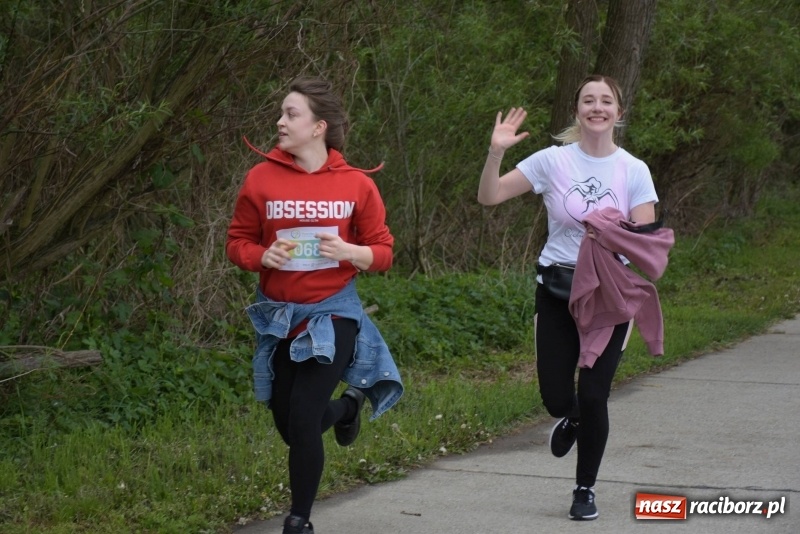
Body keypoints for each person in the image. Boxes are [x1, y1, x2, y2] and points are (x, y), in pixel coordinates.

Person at [477, 74, 660, 521]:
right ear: (577, 111)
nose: (597, 108)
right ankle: (571, 417)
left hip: (610, 295)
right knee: (557, 399)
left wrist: (614, 230)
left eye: (606, 101)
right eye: (588, 101)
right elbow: (490, 196)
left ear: (619, 112)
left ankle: (584, 490)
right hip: (556, 289)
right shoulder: (553, 161)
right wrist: (496, 151)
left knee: (595, 395)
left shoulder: (633, 169)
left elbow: (647, 241)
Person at [226, 76, 403, 534]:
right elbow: (237, 242)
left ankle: (298, 522)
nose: (280, 122)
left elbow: (383, 252)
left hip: (333, 312)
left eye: (291, 114)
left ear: (319, 126)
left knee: (304, 419)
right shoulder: (260, 178)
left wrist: (350, 253)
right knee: (289, 426)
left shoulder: (356, 184)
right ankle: (348, 409)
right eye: (282, 113)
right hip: (279, 316)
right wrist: (259, 256)